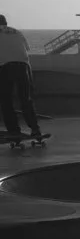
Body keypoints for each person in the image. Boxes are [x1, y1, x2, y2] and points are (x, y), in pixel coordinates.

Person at [0, 14, 44, 143]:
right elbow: (24, 51)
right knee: (26, 99)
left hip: (5, 67)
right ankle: (35, 129)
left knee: (6, 100)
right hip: (23, 66)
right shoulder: (17, 32)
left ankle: (14, 130)